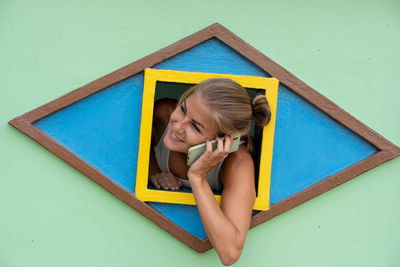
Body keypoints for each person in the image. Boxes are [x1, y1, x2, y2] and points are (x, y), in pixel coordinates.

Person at [148, 78, 271, 266]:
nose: (178, 126)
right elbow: (138, 145)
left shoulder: (237, 163)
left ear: (221, 140)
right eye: (183, 109)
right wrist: (153, 170)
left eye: (195, 126)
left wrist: (197, 178)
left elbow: (230, 253)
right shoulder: (162, 114)